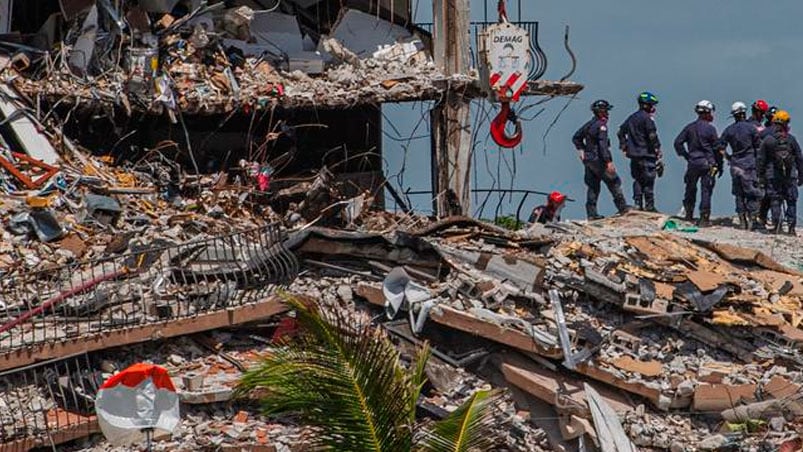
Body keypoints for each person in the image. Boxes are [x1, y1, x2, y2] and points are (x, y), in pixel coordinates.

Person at [571, 100, 629, 220]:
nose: (608, 113)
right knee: (614, 182)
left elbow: (576, 137)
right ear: (601, 112)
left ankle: (591, 214)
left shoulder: (589, 124)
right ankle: (623, 208)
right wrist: (608, 162)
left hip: (589, 161)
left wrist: (581, 150)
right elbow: (603, 146)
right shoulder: (601, 126)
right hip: (599, 160)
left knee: (593, 187)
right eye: (606, 111)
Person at [674, 100, 722, 227]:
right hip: (707, 164)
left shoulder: (689, 128)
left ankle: (688, 215)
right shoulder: (711, 129)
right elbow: (717, 149)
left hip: (693, 163)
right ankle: (704, 219)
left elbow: (677, 142)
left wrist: (686, 156)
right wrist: (719, 165)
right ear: (707, 113)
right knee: (706, 190)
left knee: (690, 188)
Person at [757, 110, 803, 235]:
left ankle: (777, 226)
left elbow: (761, 160)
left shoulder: (768, 140)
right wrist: (801, 176)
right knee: (791, 200)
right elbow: (799, 158)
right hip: (790, 176)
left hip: (773, 175)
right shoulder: (792, 140)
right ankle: (791, 228)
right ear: (786, 123)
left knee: (775, 200)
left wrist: (760, 176)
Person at [719, 102, 763, 230]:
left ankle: (742, 220)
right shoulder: (751, 129)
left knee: (739, 194)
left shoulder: (729, 130)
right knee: (751, 193)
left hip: (735, 165)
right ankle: (752, 219)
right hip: (749, 165)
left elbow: (720, 147)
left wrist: (729, 158)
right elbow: (758, 147)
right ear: (744, 113)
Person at [618, 92, 662, 211]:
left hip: (634, 155)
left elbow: (621, 132)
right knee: (648, 180)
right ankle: (650, 205)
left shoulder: (632, 118)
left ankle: (638, 203)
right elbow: (652, 136)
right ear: (646, 105)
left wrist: (624, 146)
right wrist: (658, 149)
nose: (653, 108)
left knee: (637, 179)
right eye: (652, 105)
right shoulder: (647, 119)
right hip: (647, 154)